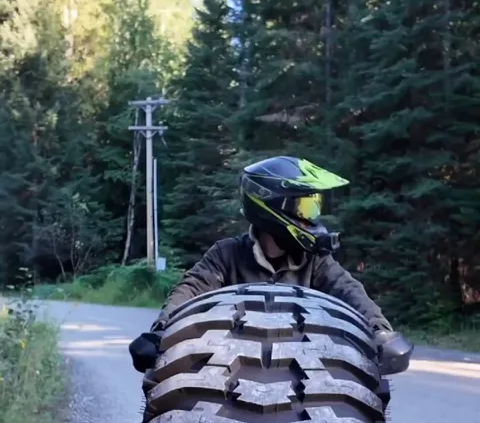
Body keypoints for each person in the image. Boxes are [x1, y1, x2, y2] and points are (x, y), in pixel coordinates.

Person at [130, 156, 401, 373]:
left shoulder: (316, 261)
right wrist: (162, 331)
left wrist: (380, 331)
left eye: (314, 209)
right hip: (230, 367)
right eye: (305, 209)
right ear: (271, 208)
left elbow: (348, 290)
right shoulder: (226, 254)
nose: (312, 219)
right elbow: (191, 289)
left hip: (303, 367)